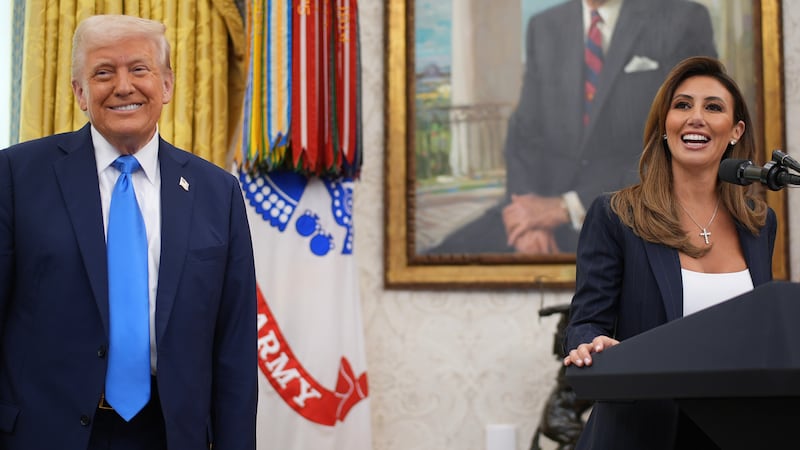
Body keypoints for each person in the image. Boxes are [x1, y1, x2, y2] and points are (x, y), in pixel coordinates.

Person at [0, 15, 257, 449]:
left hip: (172, 435)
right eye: (103, 73)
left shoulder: (219, 193)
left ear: (167, 86)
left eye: (139, 69)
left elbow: (234, 348)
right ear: (80, 92)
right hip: (45, 433)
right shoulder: (15, 176)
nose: (123, 86)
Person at [562, 56, 777, 449]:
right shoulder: (616, 216)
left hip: (737, 432)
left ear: (735, 130)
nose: (696, 117)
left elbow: (761, 331)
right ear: (665, 125)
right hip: (642, 433)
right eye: (682, 105)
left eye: (713, 107)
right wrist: (591, 344)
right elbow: (586, 323)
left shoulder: (759, 225)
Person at [429, 0, 717, 255]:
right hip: (538, 207)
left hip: (631, 213)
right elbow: (524, 134)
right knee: (441, 257)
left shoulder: (683, 20)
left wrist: (568, 207)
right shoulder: (545, 26)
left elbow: (687, 145)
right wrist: (528, 220)